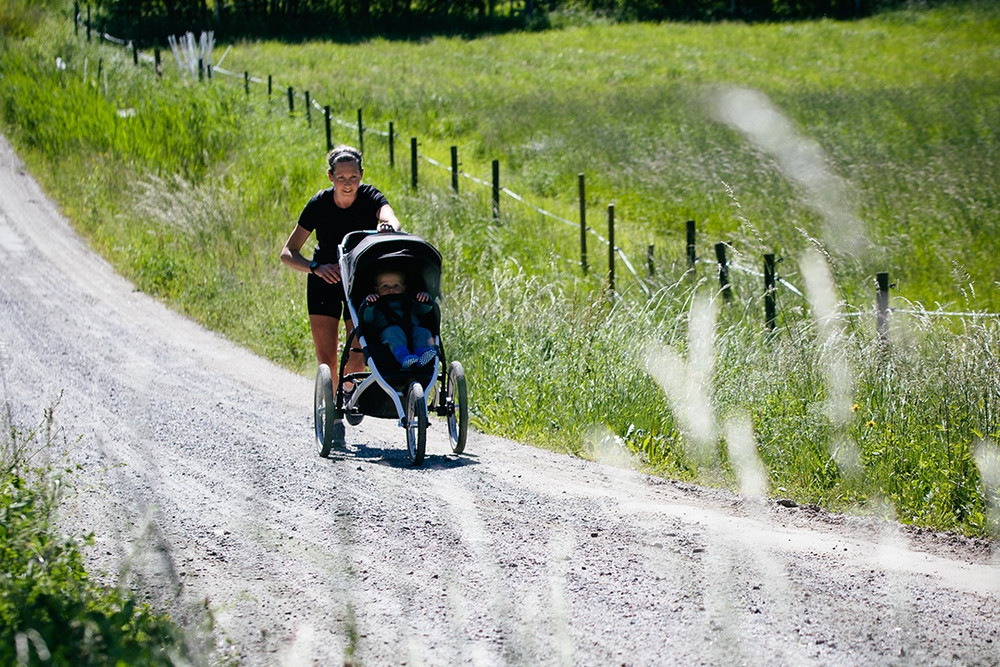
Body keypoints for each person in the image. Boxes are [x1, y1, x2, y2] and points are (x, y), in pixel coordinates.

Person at [280, 145, 401, 382]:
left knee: (357, 357)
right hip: (325, 281)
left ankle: (349, 395)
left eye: (354, 177)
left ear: (362, 175)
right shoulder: (319, 204)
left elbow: (391, 217)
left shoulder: (370, 197)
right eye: (341, 178)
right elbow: (288, 252)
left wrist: (388, 226)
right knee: (327, 358)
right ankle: (333, 409)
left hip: (359, 281)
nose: (348, 184)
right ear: (330, 177)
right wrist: (316, 268)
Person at [360, 270, 437, 369]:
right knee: (393, 332)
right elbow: (367, 319)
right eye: (385, 286)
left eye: (396, 286)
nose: (391, 290)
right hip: (387, 333)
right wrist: (369, 304)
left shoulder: (409, 301)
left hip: (411, 329)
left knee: (423, 332)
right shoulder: (376, 304)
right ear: (377, 290)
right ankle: (404, 357)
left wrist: (424, 300)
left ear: (403, 288)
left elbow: (423, 311)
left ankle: (421, 354)